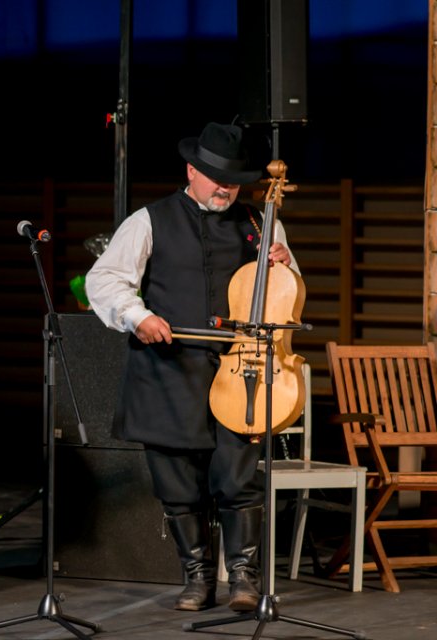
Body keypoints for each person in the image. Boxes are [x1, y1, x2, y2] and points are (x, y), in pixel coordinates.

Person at [85, 121, 299, 613]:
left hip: (242, 373)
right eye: (215, 177)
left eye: (233, 180)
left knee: (238, 478)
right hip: (167, 371)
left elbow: (285, 296)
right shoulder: (148, 220)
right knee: (178, 485)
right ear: (191, 170)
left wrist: (284, 264)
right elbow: (106, 281)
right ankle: (196, 577)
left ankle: (243, 577)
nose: (225, 188)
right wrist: (138, 316)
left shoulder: (260, 222)